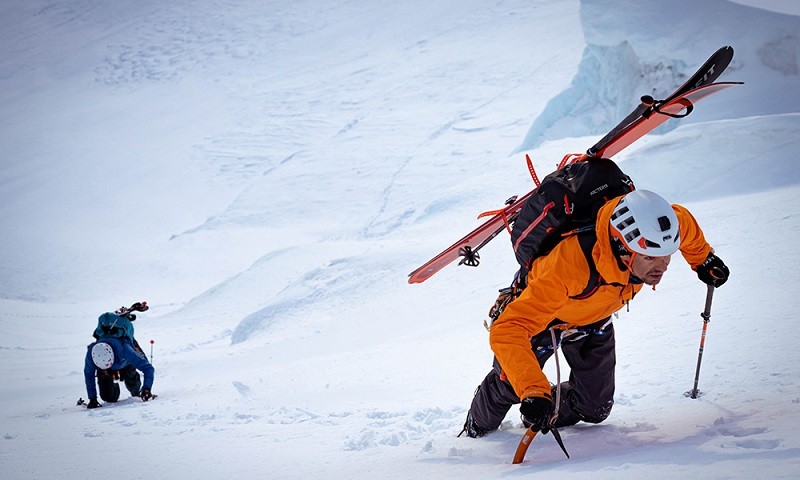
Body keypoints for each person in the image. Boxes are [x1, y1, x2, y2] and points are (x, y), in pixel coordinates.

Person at [462, 189, 730, 438]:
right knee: (510, 388)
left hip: (593, 319)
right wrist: (532, 390)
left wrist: (703, 259)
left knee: (594, 410)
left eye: (666, 255)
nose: (662, 266)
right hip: (543, 322)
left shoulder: (662, 228)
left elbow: (684, 223)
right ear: (623, 247)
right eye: (649, 258)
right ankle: (475, 430)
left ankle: (548, 406)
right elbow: (509, 329)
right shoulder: (569, 266)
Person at [84, 336, 155, 408]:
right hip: (107, 367)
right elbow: (89, 375)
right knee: (108, 397)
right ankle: (113, 390)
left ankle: (137, 389)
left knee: (135, 389)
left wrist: (147, 388)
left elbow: (148, 368)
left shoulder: (125, 349)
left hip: (126, 363)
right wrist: (92, 399)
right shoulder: (91, 355)